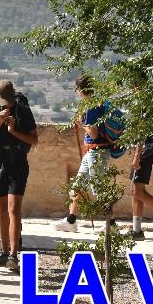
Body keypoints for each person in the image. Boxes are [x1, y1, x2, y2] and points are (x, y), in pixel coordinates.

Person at [0, 80, 38, 272]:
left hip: (17, 160)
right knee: (2, 208)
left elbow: (34, 140)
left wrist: (14, 130)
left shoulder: (23, 111)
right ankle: (4, 251)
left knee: (14, 208)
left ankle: (14, 254)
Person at [55, 74, 113, 236]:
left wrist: (81, 124)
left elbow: (93, 133)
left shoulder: (92, 106)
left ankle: (111, 224)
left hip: (97, 151)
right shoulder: (96, 103)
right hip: (93, 151)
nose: (77, 92)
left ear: (83, 89)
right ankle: (71, 221)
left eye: (78, 89)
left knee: (98, 188)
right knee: (77, 186)